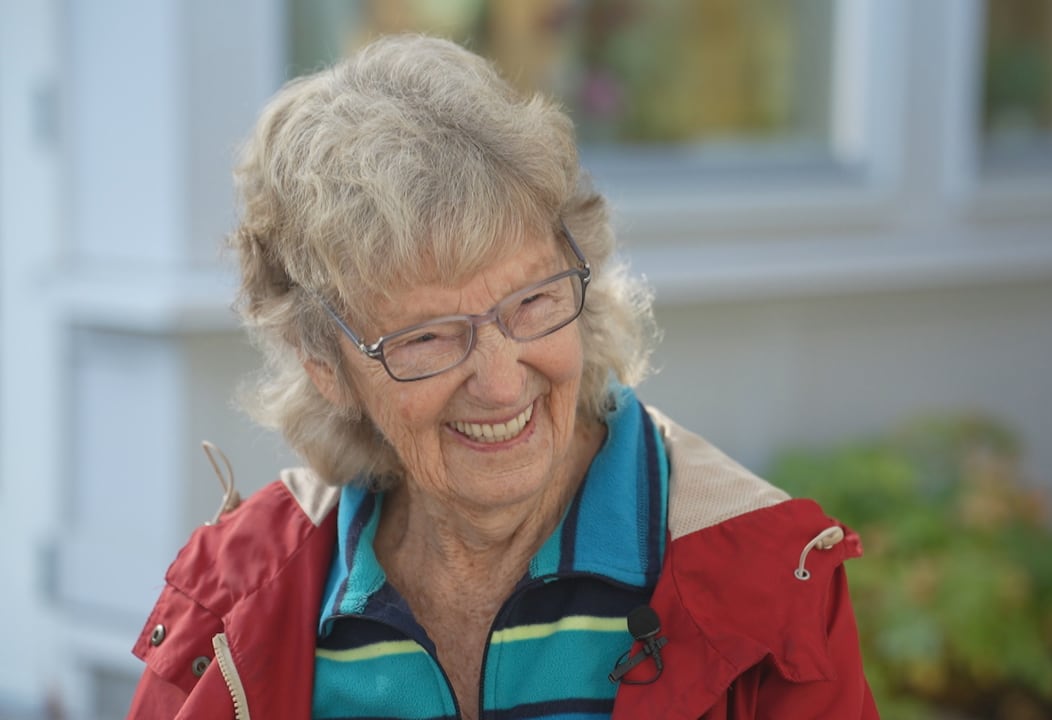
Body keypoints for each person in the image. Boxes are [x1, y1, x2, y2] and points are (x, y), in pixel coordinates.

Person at [126, 34, 878, 720]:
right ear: (327, 366)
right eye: (425, 337)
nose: (499, 381)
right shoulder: (233, 602)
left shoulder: (765, 579)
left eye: (533, 301)